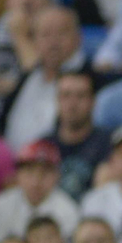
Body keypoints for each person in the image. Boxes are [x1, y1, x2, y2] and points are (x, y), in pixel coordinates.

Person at [0, 5, 88, 153]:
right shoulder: (27, 76)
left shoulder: (90, 79)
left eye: (61, 33)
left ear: (78, 37)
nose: (53, 42)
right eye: (45, 34)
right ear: (34, 41)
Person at [0, 141, 80, 243]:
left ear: (57, 176)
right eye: (29, 171)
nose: (36, 181)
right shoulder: (0, 205)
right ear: (17, 174)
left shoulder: (68, 211)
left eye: (44, 173)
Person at [50, 71, 113, 200]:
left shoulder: (110, 144)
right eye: (65, 95)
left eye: (80, 96)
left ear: (93, 101)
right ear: (56, 101)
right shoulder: (43, 146)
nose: (72, 104)